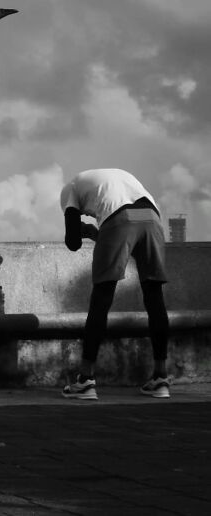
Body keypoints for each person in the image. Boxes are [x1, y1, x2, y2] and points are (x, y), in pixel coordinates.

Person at [59, 168, 170, 400]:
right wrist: (98, 233)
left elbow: (72, 242)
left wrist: (83, 230)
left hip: (118, 219)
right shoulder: (107, 178)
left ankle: (86, 380)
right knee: (154, 295)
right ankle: (161, 378)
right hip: (151, 217)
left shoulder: (69, 191)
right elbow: (127, 228)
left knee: (101, 298)